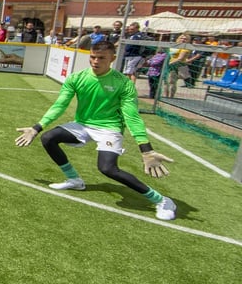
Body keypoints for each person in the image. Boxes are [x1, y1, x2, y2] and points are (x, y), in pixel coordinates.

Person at [15, 40, 177, 221]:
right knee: (48, 138)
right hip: (83, 125)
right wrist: (36, 128)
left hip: (109, 128)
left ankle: (162, 200)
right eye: (92, 57)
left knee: (107, 169)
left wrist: (146, 150)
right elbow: (59, 105)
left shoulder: (123, 83)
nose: (95, 61)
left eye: (101, 58)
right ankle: (74, 180)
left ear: (112, 59)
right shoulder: (77, 78)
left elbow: (132, 117)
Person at [165, 34, 191, 99]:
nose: (183, 40)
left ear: (188, 40)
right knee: (166, 82)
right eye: (181, 38)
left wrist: (169, 63)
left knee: (171, 81)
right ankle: (166, 96)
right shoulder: (174, 46)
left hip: (176, 66)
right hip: (168, 65)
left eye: (185, 39)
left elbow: (180, 58)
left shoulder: (185, 48)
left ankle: (171, 97)